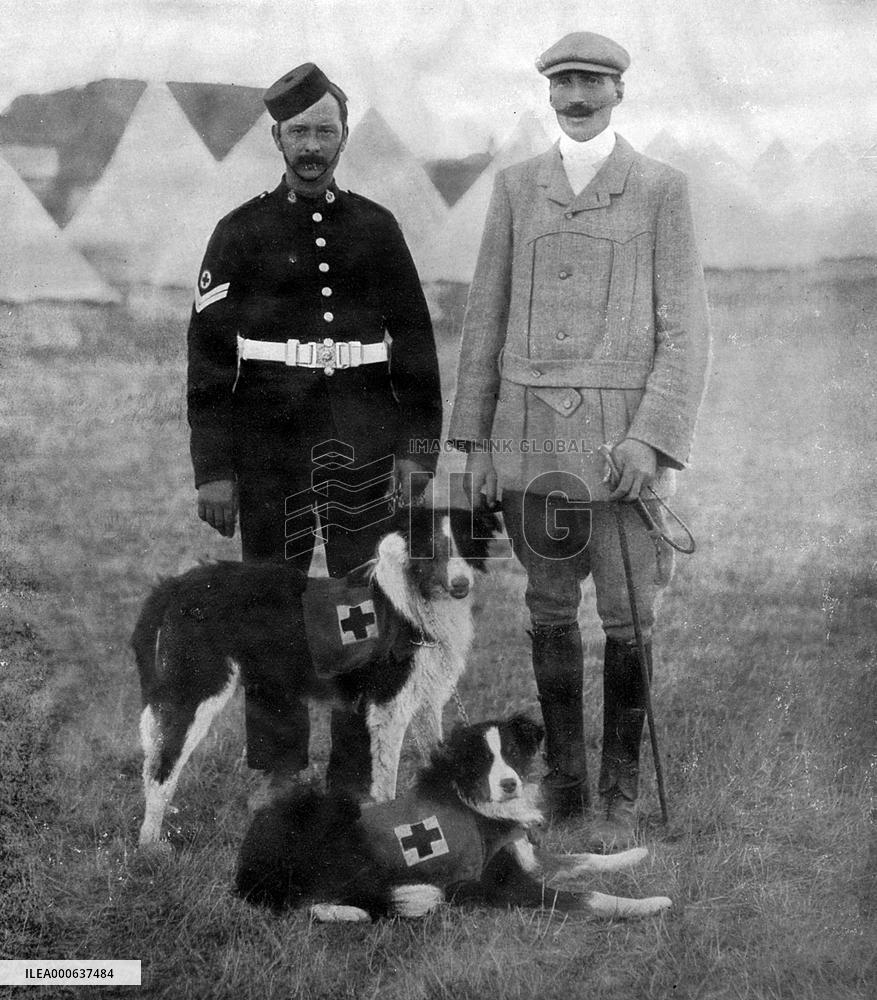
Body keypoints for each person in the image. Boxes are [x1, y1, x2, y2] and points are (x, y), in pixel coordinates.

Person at [448, 32, 710, 847]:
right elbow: (484, 317)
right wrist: (477, 445)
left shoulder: (660, 189)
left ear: (619, 91)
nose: (576, 95)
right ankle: (563, 780)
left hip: (618, 457)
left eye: (592, 81)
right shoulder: (515, 188)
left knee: (628, 621)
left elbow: (685, 331)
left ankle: (621, 790)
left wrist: (649, 441)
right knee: (548, 610)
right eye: (562, 81)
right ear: (547, 92)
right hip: (529, 449)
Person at [187, 63, 442, 801]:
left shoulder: (376, 228)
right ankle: (278, 770)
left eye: (324, 131)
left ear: (342, 137)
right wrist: (214, 471)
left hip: (366, 446)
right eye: (298, 132)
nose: (311, 145)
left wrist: (418, 451)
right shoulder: (238, 232)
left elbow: (417, 347)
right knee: (274, 607)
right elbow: (206, 362)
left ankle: (359, 771)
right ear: (275, 137)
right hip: (268, 447)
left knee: (367, 606)